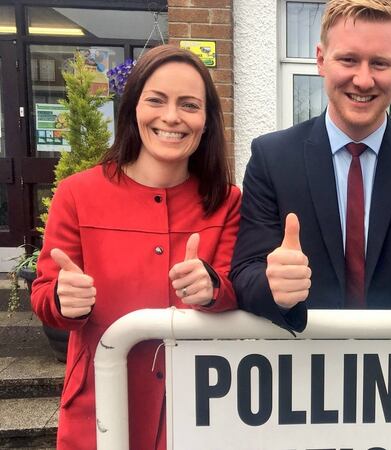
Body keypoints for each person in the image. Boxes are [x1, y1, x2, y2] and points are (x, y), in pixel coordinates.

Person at [30, 45, 241, 450]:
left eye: (189, 105)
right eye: (156, 100)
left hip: (198, 414)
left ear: (207, 122)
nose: (171, 117)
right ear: (133, 108)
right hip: (100, 410)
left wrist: (214, 289)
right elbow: (44, 294)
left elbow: (235, 289)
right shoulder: (78, 194)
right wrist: (62, 298)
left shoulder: (228, 200)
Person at [231, 0, 391, 339]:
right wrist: (273, 288)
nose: (363, 79)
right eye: (348, 60)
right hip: (299, 371)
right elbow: (244, 272)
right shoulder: (272, 158)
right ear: (320, 60)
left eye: (380, 63)